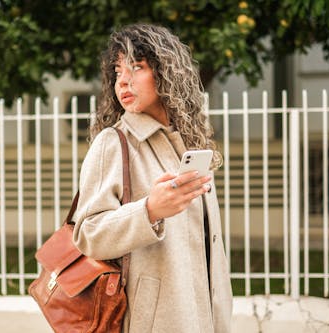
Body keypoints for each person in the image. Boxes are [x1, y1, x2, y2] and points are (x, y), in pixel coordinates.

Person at [72, 23, 232, 333]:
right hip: (153, 322)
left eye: (137, 67)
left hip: (203, 318)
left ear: (166, 73)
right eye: (118, 71)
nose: (124, 81)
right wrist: (149, 211)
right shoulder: (114, 142)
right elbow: (88, 234)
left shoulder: (190, 144)